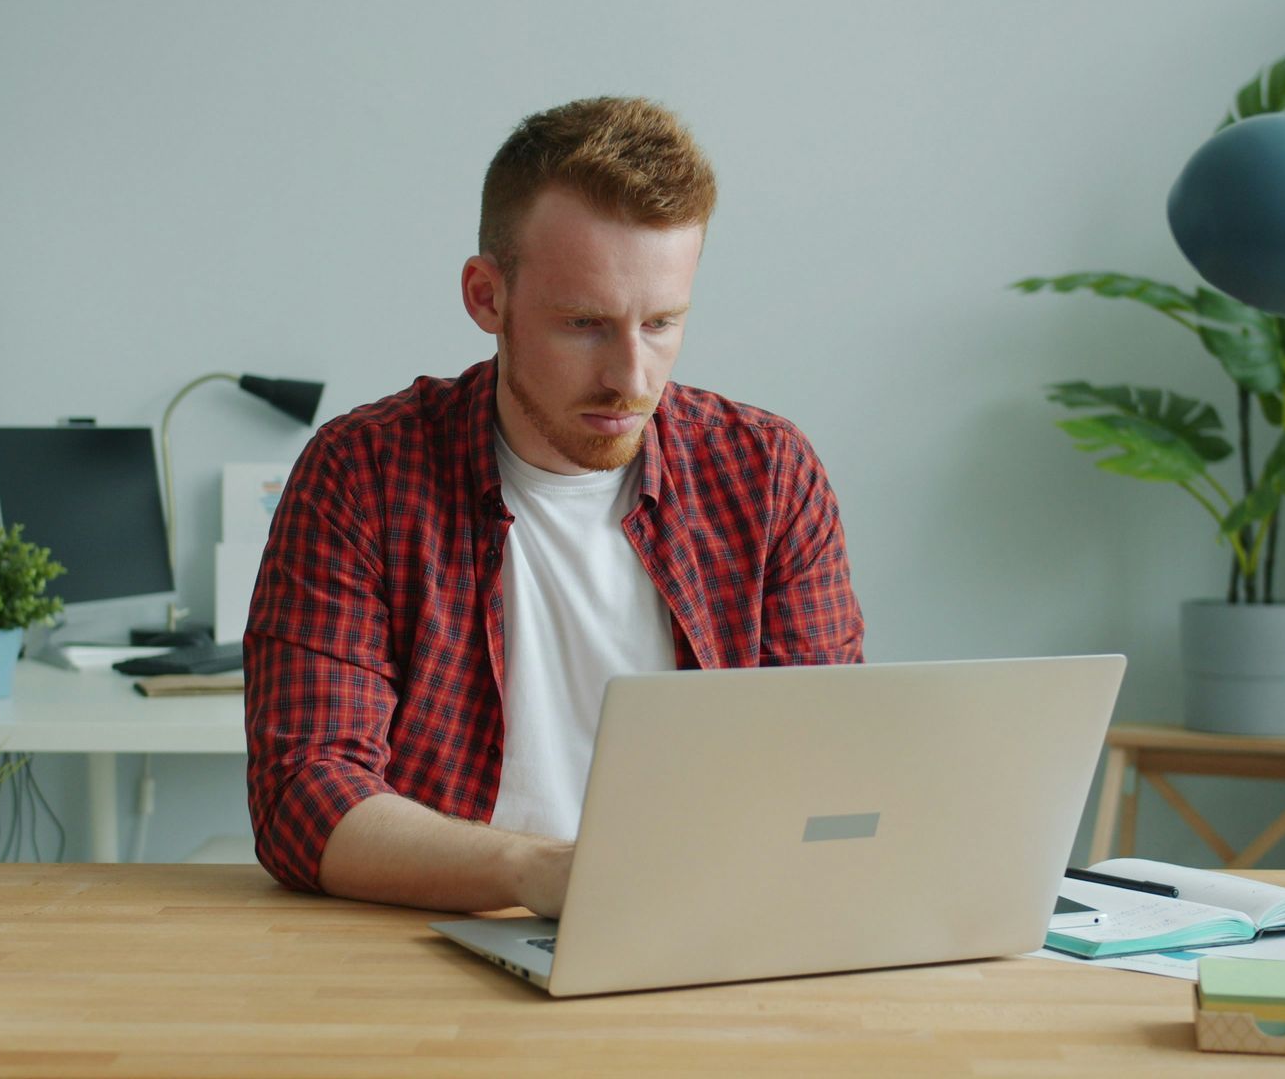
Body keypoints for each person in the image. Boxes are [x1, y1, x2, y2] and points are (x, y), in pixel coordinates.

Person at [245, 97, 863, 917]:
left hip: (706, 933)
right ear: (485, 297)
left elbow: (825, 761)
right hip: (429, 952)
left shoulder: (769, 475)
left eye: (663, 322)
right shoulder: (362, 476)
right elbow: (304, 796)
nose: (632, 378)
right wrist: (539, 874)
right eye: (585, 325)